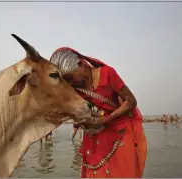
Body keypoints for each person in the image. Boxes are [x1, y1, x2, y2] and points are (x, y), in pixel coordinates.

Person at [50, 47, 147, 178]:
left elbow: (131, 101)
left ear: (80, 64)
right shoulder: (75, 88)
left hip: (120, 131)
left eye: (71, 78)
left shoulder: (107, 74)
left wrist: (106, 119)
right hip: (94, 136)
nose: (71, 83)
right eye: (67, 81)